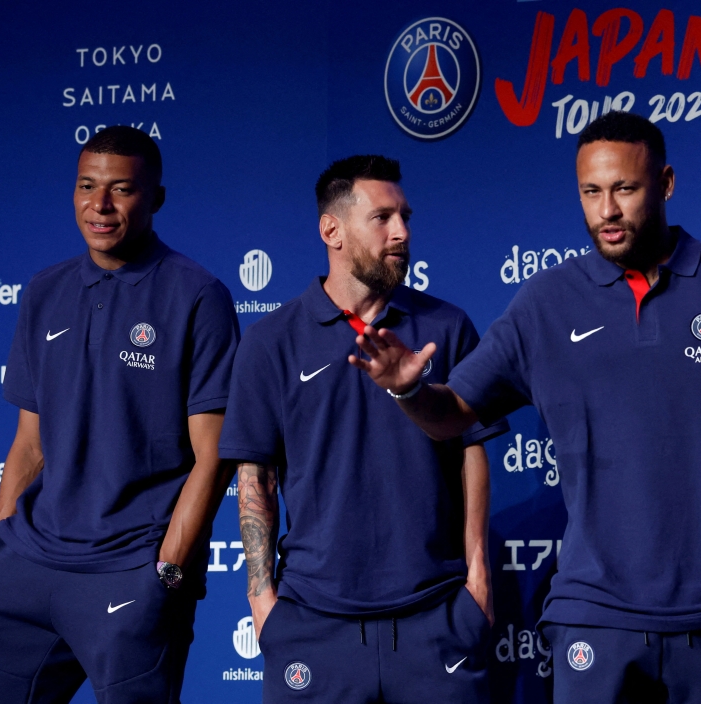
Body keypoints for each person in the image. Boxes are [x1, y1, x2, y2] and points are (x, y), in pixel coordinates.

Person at [351, 113, 701, 703]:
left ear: (666, 183)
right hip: (594, 617)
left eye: (625, 189)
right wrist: (409, 389)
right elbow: (452, 416)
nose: (607, 211)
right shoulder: (548, 301)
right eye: (591, 193)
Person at [0, 126, 241, 704]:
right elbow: (29, 444)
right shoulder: (44, 291)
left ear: (154, 197)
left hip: (131, 567)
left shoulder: (197, 295)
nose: (99, 205)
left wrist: (170, 571)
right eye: (87, 186)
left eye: (121, 189)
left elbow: (216, 453)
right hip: (27, 562)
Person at [218, 155, 508, 703]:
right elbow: (255, 474)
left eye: (405, 216)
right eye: (382, 218)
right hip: (313, 624)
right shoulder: (269, 341)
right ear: (332, 230)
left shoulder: (446, 326)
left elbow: (473, 450)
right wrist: (262, 600)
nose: (402, 232)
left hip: (437, 618)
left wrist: (478, 581)